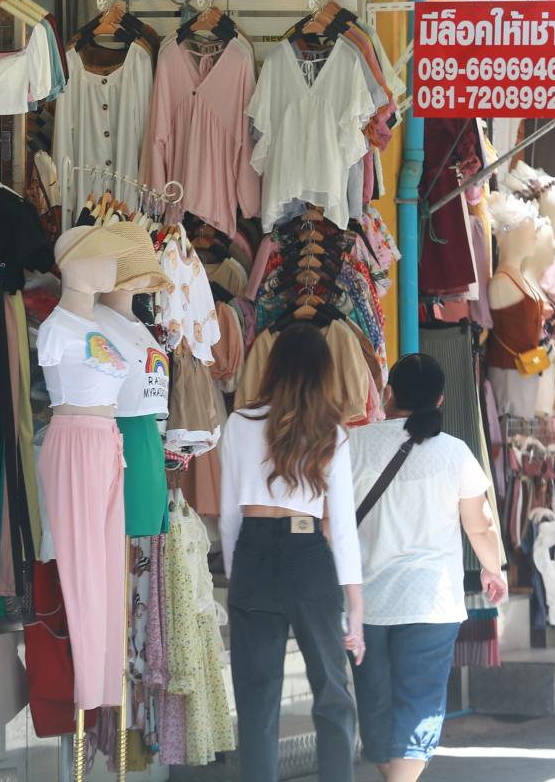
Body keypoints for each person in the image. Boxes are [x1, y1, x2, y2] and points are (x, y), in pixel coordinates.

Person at [348, 353, 506, 782]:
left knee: (375, 701)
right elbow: (481, 526)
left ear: (387, 393)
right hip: (431, 602)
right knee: (419, 702)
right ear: (439, 399)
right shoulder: (455, 454)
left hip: (365, 603)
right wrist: (494, 571)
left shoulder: (352, 445)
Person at [219, 322, 363, 782]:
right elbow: (341, 528)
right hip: (308, 556)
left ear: (274, 365)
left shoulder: (239, 423)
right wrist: (355, 607)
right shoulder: (331, 433)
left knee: (257, 699)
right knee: (332, 692)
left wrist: (238, 569)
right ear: (324, 372)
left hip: (253, 553)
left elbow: (227, 516)